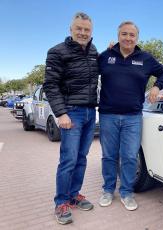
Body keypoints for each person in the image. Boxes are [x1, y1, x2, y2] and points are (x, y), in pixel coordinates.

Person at [98, 21, 163, 211]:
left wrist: (156, 86)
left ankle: (127, 192)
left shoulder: (145, 58)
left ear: (137, 38)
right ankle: (107, 190)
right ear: (118, 35)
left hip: (133, 117)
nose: (128, 38)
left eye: (132, 35)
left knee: (130, 156)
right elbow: (89, 72)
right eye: (124, 34)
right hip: (108, 116)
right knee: (109, 156)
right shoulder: (105, 56)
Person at [43, 12, 99, 225]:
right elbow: (50, 85)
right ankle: (61, 202)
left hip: (89, 112)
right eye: (79, 29)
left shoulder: (93, 51)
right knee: (68, 160)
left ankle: (74, 195)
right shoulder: (57, 52)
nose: (83, 33)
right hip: (71, 113)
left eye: (87, 29)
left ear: (91, 31)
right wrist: (61, 113)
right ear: (71, 29)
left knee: (82, 158)